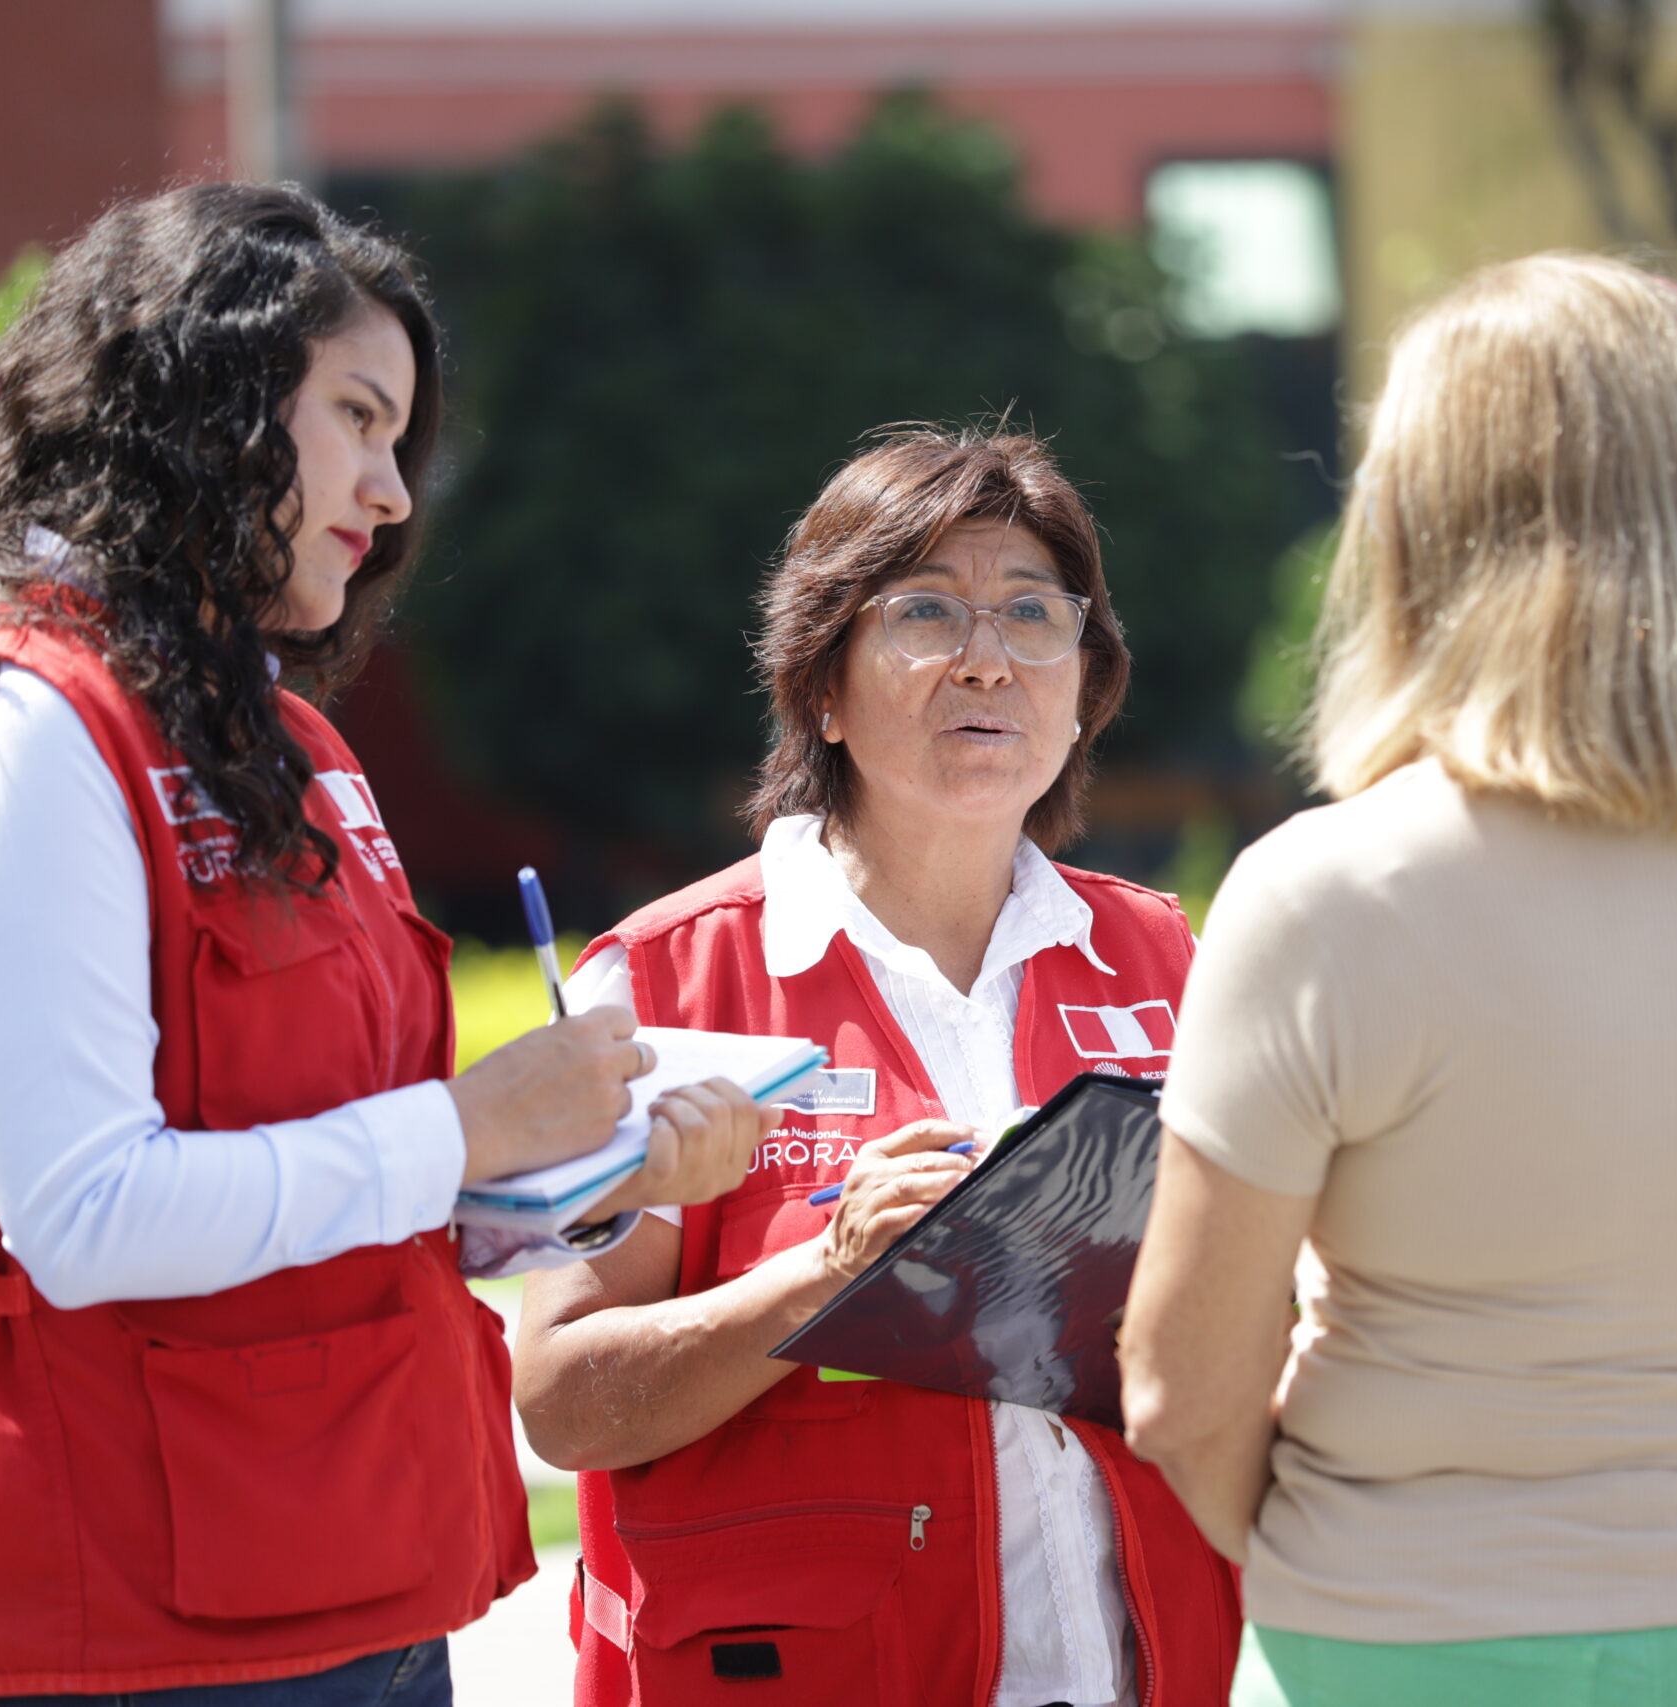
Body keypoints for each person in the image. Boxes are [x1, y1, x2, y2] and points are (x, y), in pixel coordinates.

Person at [0, 184, 774, 1703]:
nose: (394, 493)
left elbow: (359, 1182)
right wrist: (468, 1125)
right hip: (133, 1625)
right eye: (357, 416)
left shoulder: (289, 742)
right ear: (203, 398)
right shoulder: (24, 726)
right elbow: (82, 1215)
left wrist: (583, 1182)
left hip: (366, 1580)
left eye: (401, 439)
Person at [1116, 253, 1677, 1707]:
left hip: (1411, 1633)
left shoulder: (1325, 892)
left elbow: (1181, 1390)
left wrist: (1360, 1560)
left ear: (1414, 523)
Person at [512, 427, 1241, 1705]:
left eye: (1034, 613)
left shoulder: (1164, 961)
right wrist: (828, 1278)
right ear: (824, 692)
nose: (988, 658)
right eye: (925, 611)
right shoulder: (667, 981)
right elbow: (562, 1401)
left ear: (1085, 686)